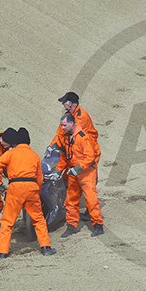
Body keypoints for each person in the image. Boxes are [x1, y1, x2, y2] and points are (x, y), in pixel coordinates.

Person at [0, 127, 57, 258]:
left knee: (8, 221)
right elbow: (40, 177)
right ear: (28, 141)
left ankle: (2, 252)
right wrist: (36, 191)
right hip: (31, 187)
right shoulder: (34, 155)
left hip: (15, 187)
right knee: (38, 219)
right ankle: (46, 247)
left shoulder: (11, 153)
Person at [45, 91, 102, 220]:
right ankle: (69, 205)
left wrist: (58, 146)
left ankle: (90, 212)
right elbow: (60, 135)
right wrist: (52, 145)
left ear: (70, 103)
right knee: (69, 177)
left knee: (87, 182)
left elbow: (69, 137)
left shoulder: (81, 118)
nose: (63, 106)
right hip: (74, 153)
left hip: (87, 153)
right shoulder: (68, 116)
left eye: (64, 103)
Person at [48, 113, 104, 237]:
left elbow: (90, 157)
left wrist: (77, 169)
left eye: (64, 125)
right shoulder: (67, 138)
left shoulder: (84, 137)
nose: (62, 128)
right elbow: (64, 157)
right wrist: (57, 171)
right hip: (73, 173)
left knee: (91, 200)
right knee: (71, 200)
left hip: (86, 174)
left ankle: (98, 226)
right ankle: (71, 226)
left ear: (72, 123)